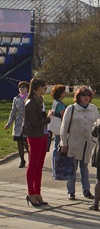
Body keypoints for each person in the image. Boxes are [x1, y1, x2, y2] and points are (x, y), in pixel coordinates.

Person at [60, 87, 99, 200]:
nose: (86, 97)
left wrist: (94, 140)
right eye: (83, 95)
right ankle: (71, 191)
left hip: (88, 143)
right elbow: (64, 127)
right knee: (72, 167)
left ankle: (86, 190)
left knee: (84, 167)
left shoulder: (93, 108)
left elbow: (97, 125)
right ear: (78, 97)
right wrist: (64, 143)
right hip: (74, 143)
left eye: (88, 95)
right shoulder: (71, 109)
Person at [22, 78, 53, 207]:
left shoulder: (39, 100)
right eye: (44, 87)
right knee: (33, 164)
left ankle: (37, 192)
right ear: (38, 88)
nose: (45, 90)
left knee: (39, 165)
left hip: (42, 134)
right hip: (34, 135)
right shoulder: (30, 103)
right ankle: (31, 193)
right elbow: (35, 123)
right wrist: (48, 119)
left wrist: (45, 117)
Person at [4, 81, 30, 168]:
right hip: (18, 122)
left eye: (23, 87)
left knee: (26, 142)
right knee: (19, 142)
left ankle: (31, 157)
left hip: (27, 121)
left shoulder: (30, 98)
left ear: (27, 89)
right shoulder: (16, 98)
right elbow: (13, 112)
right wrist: (9, 123)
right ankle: (22, 160)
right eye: (20, 87)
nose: (21, 89)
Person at [50, 85, 68, 177]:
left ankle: (55, 169)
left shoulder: (56, 102)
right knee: (58, 148)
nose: (65, 93)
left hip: (56, 127)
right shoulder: (60, 105)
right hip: (60, 127)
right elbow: (64, 116)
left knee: (56, 148)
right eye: (64, 92)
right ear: (61, 93)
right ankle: (56, 169)